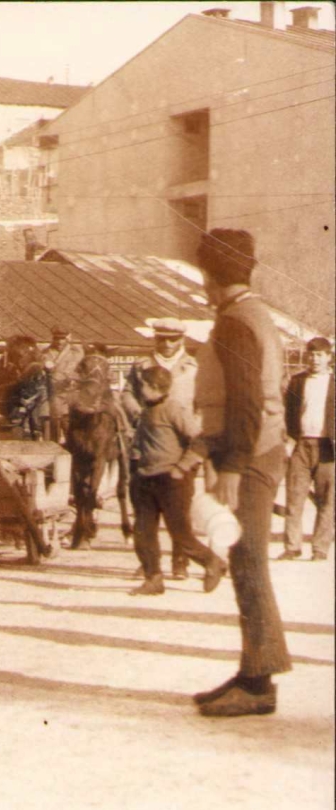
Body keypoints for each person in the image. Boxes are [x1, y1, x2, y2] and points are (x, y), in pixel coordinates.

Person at [183, 228, 291, 717]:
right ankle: (253, 672)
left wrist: (231, 466)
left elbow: (247, 402)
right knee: (246, 561)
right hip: (257, 450)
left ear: (210, 275)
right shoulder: (255, 315)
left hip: (249, 455)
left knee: (247, 563)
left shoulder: (234, 322)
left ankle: (258, 683)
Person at [127, 365, 225, 597]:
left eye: (143, 385)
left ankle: (212, 562)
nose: (140, 389)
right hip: (146, 479)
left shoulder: (173, 409)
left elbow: (201, 440)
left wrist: (182, 467)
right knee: (143, 532)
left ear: (154, 387)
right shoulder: (146, 410)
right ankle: (153, 579)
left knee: (180, 534)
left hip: (172, 481)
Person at [126, 319, 200, 578]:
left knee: (179, 510)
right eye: (161, 338)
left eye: (172, 339)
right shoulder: (141, 366)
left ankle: (180, 560)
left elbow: (203, 402)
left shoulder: (194, 367)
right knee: (145, 510)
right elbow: (127, 394)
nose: (166, 344)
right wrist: (139, 414)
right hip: (147, 444)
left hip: (180, 447)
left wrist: (197, 427)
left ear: (182, 340)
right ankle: (149, 561)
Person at [280, 336, 333, 562]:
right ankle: (292, 546)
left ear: (329, 357)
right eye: (311, 355)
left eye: (320, 355)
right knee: (294, 497)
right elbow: (288, 413)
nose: (315, 359)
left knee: (327, 500)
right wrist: (288, 442)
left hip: (327, 448)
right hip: (301, 445)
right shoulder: (297, 381)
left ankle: (320, 548)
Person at [42, 325, 84, 442]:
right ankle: (54, 442)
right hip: (54, 391)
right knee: (54, 418)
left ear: (67, 339)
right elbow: (45, 370)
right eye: (57, 339)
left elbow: (83, 370)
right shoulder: (46, 353)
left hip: (72, 391)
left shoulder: (77, 352)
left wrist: (74, 378)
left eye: (62, 338)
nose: (59, 342)